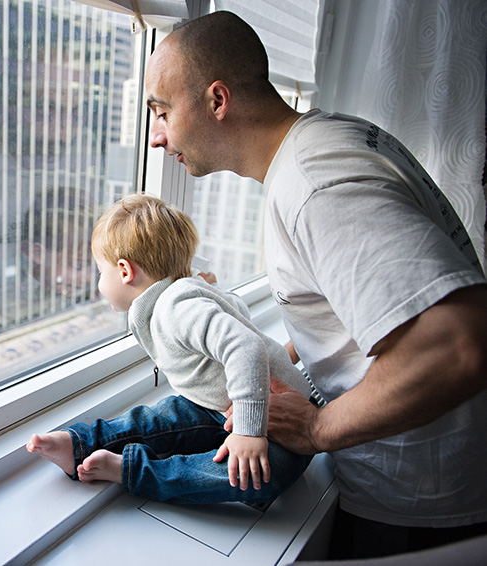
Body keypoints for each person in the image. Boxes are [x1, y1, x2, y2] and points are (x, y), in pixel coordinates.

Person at [144, 10, 487, 558]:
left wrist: (319, 429)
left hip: (420, 504)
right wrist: (274, 361)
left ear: (216, 100)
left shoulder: (317, 183)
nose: (157, 137)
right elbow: (355, 300)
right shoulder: (322, 146)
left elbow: (455, 345)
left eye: (161, 112)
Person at [27, 194, 314, 504]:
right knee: (161, 417)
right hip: (218, 407)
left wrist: (248, 431)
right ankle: (80, 444)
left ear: (125, 271)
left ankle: (133, 471)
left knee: (262, 476)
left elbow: (246, 345)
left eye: (101, 272)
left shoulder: (176, 308)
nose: (99, 281)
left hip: (280, 429)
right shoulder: (185, 294)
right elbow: (238, 311)